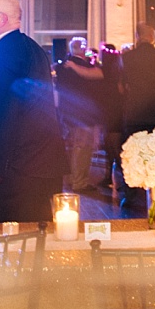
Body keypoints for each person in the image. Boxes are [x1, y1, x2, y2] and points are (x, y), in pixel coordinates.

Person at [0, 0, 67, 222]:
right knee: (36, 239)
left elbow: (5, 113)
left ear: (2, 19)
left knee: (12, 244)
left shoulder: (5, 53)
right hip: (38, 165)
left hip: (17, 172)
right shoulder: (29, 47)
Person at [118, 22, 155, 207]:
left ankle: (131, 195)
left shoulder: (127, 57)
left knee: (132, 153)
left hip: (135, 111)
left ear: (137, 36)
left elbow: (121, 86)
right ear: (152, 36)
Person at [56, 37, 106, 192]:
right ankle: (80, 182)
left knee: (71, 148)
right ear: (82, 49)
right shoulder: (85, 66)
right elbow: (97, 84)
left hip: (67, 113)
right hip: (83, 114)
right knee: (83, 148)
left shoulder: (61, 67)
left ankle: (70, 180)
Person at [96, 43, 125, 191]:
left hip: (111, 112)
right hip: (116, 111)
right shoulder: (118, 72)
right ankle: (114, 177)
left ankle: (119, 178)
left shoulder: (106, 72)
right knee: (113, 146)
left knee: (112, 147)